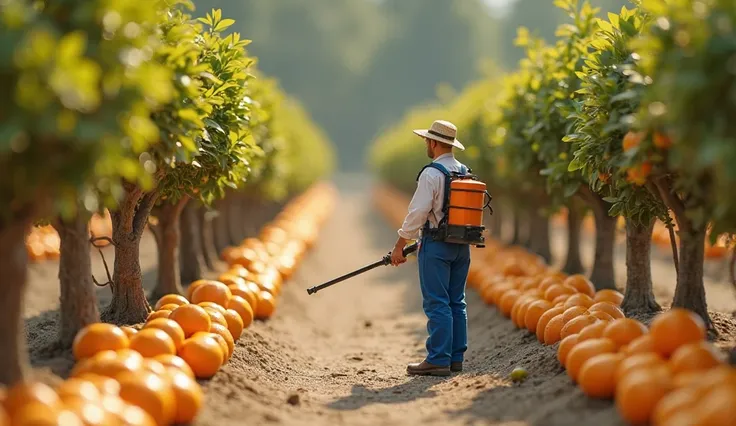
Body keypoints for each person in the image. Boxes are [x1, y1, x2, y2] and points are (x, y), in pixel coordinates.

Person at [390, 119, 471, 377]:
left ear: (434, 143)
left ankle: (438, 359)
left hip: (436, 247)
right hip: (461, 246)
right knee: (456, 301)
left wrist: (399, 246)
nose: (426, 144)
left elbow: (417, 213)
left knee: (437, 303)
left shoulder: (431, 173)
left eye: (427, 140)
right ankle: (455, 357)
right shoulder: (464, 171)